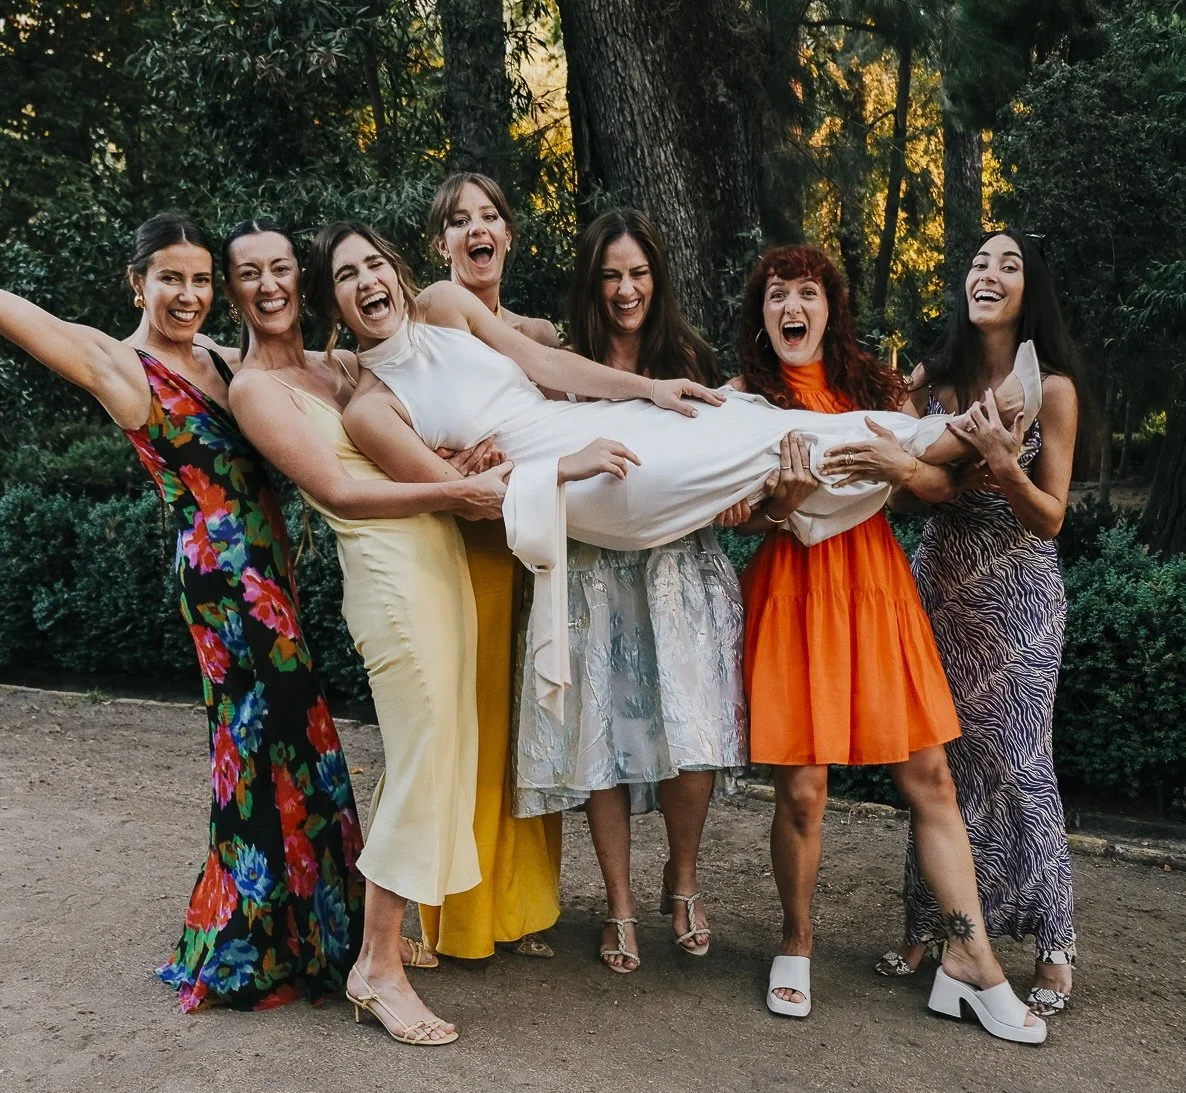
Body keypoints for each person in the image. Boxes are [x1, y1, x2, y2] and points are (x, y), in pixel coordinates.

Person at [302, 221, 1041, 735]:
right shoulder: (373, 407)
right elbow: (464, 498)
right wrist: (569, 465)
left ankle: (959, 446)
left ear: (394, 270)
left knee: (743, 415)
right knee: (762, 438)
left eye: (372, 264)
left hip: (596, 430)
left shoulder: (444, 304)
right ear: (332, 302)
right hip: (573, 484)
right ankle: (965, 433)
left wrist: (648, 391)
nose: (367, 282)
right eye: (346, 277)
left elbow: (548, 367)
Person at [0, 212, 365, 1013]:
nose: (190, 294)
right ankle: (255, 946)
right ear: (138, 282)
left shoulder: (218, 357)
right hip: (225, 589)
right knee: (257, 747)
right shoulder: (121, 366)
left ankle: (319, 932)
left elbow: (307, 378)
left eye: (202, 279)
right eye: (171, 278)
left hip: (273, 575)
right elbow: (22, 318)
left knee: (299, 743)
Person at [732, 242, 1044, 1042]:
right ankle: (795, 942)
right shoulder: (744, 397)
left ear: (829, 306)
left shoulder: (875, 385)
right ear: (761, 313)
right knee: (802, 789)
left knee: (931, 776)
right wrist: (777, 503)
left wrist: (894, 460)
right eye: (776, 295)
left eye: (806, 292)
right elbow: (731, 516)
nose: (791, 306)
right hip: (795, 589)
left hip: (873, 586)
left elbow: (939, 486)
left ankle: (970, 963)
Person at [219, 219, 515, 1045]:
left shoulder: (344, 364)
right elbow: (341, 494)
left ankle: (381, 928)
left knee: (440, 742)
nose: (270, 284)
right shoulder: (254, 390)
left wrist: (463, 460)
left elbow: (409, 446)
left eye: (282, 268)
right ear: (234, 287)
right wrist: (456, 496)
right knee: (426, 752)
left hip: (441, 556)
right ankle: (376, 970)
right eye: (251, 273)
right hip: (387, 574)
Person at [853, 229, 1081, 1017]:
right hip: (941, 582)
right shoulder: (933, 379)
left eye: (1009, 265)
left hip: (1019, 589)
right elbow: (904, 491)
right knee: (936, 763)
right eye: (980, 262)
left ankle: (1054, 944)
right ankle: (928, 926)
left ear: (1029, 292)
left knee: (1020, 759)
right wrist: (931, 472)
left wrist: (1004, 464)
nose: (989, 273)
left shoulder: (1051, 389)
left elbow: (1051, 515)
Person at [515, 208, 748, 972]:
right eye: (611, 274)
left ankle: (680, 879)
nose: (625, 288)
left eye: (639, 273)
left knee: (694, 737)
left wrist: (735, 497)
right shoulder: (559, 367)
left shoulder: (691, 357)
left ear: (659, 278)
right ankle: (616, 900)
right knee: (603, 736)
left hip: (677, 570)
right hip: (593, 575)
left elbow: (721, 460)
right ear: (591, 280)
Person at [412, 173, 564, 962]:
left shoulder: (538, 333)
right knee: (468, 719)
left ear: (509, 236)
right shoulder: (426, 323)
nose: (477, 230)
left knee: (530, 715)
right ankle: (452, 914)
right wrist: (443, 458)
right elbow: (389, 421)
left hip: (533, 539)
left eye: (490, 217)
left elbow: (571, 418)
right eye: (459, 220)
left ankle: (521, 908)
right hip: (457, 540)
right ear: (440, 245)